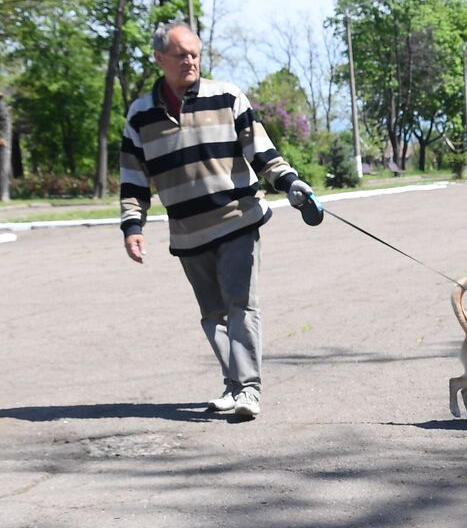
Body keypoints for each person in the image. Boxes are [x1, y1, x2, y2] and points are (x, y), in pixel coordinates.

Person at [120, 21, 321, 420]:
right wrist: (133, 226)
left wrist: (292, 183)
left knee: (241, 305)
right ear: (160, 59)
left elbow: (261, 150)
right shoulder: (140, 115)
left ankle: (248, 389)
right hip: (188, 232)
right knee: (213, 314)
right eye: (181, 55)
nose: (190, 60)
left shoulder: (226, 96)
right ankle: (233, 384)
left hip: (236, 220)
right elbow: (133, 177)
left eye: (195, 53)